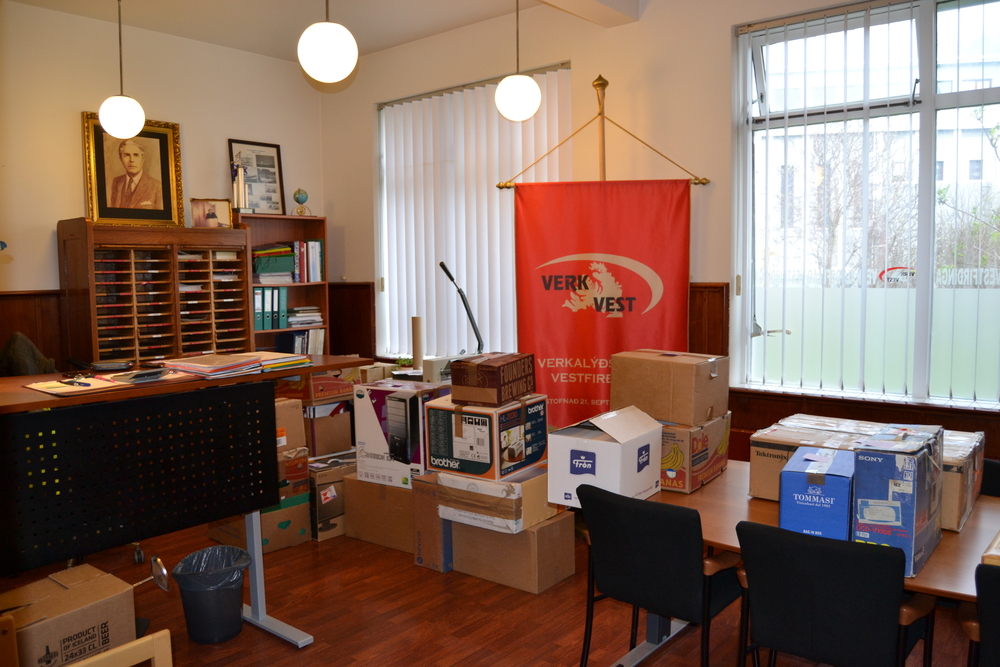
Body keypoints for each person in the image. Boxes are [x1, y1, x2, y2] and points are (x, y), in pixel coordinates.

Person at [109, 139, 163, 209]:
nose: (132, 160)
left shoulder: (157, 186)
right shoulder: (116, 182)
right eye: (127, 155)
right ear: (121, 159)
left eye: (136, 155)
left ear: (142, 159)